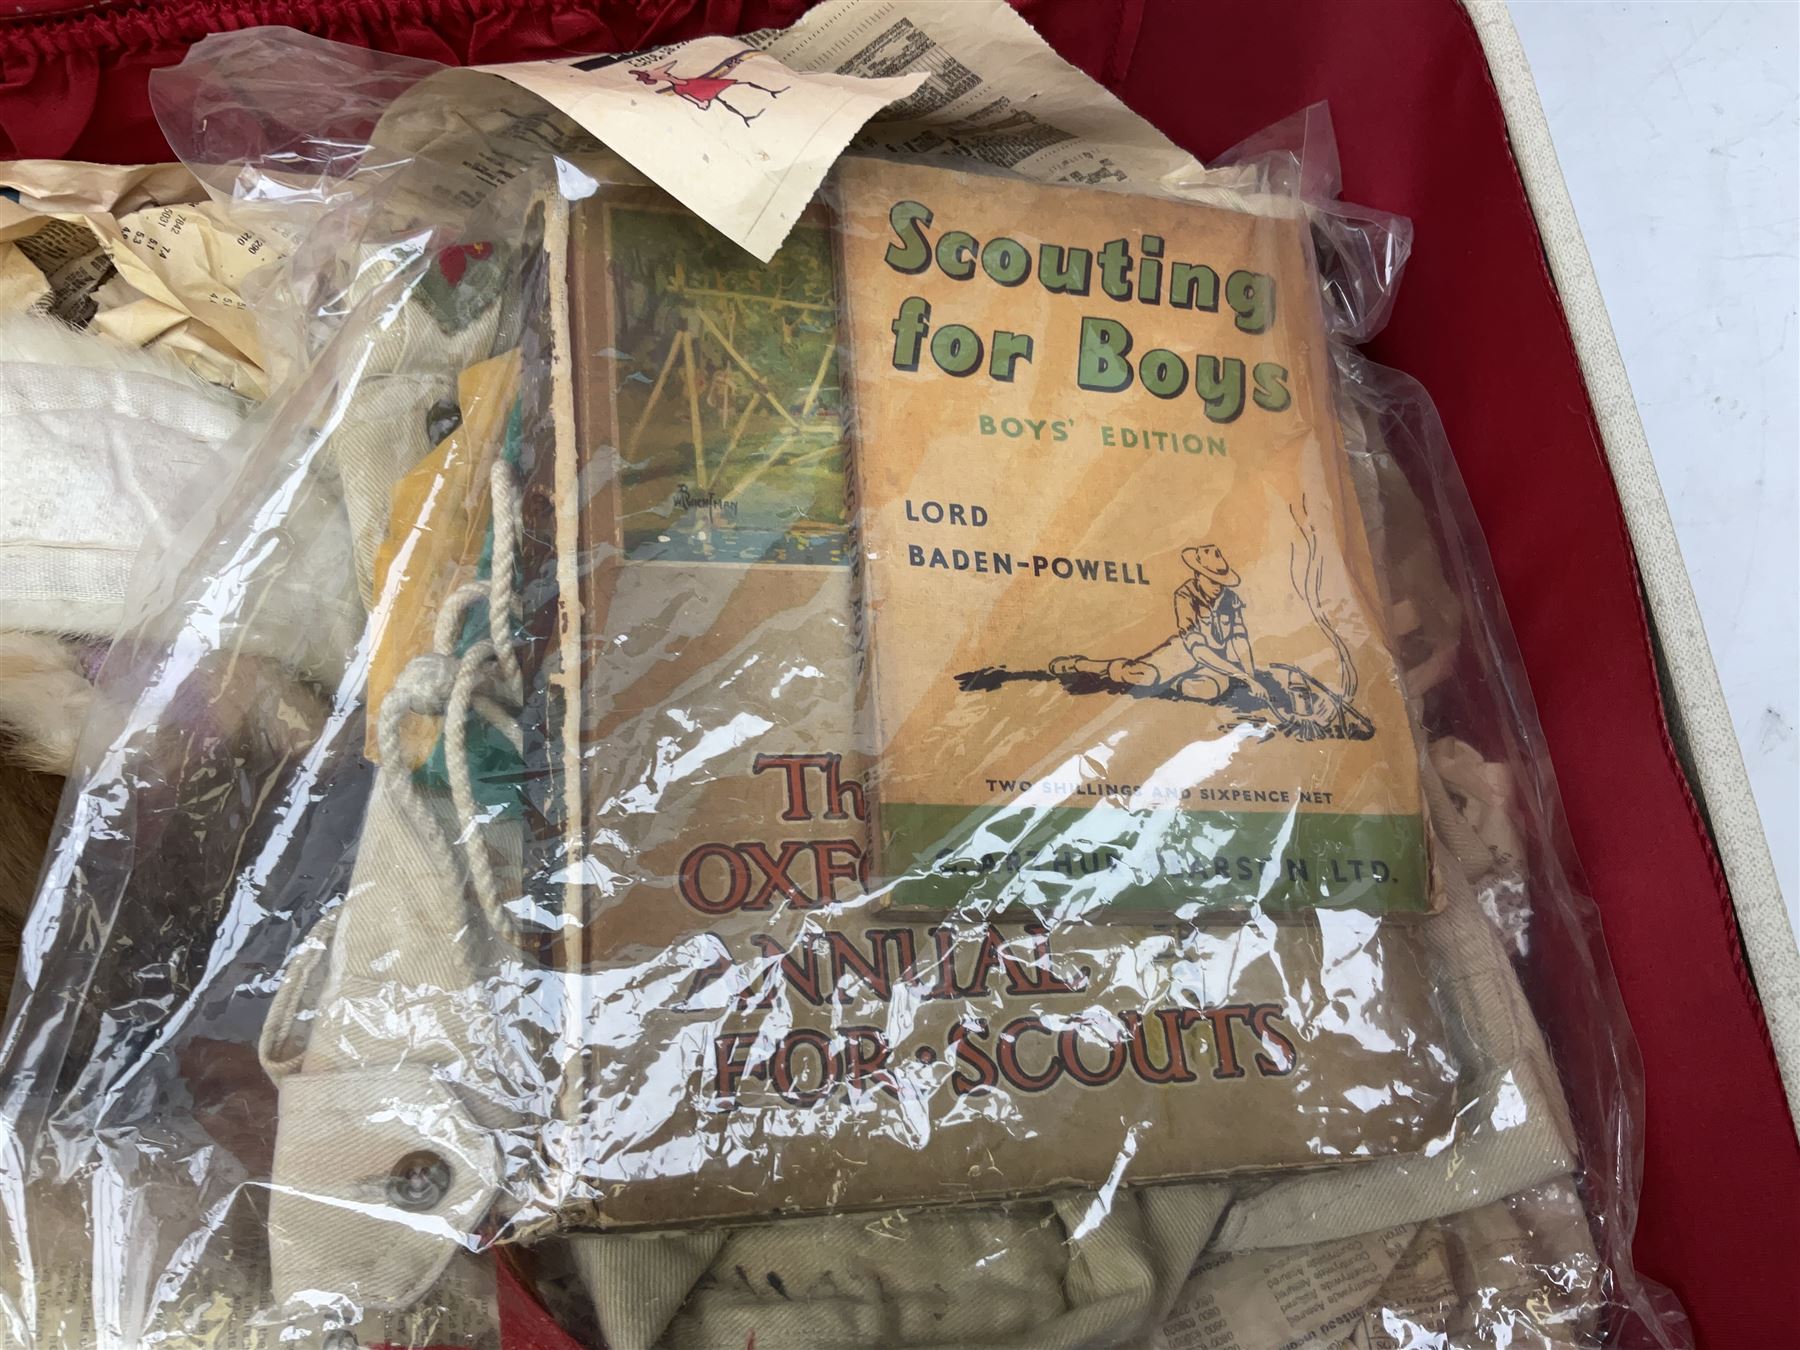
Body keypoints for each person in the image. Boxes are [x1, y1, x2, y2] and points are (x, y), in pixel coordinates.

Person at [1050, 543, 1259, 701]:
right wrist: (1244, 678)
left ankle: (1173, 683)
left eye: (1220, 582)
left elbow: (1239, 639)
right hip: (1183, 652)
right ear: (1198, 575)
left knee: (1213, 689)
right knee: (1142, 676)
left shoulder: (1230, 599)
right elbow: (1196, 649)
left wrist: (1251, 676)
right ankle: (1083, 665)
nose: (1217, 587)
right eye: (1212, 580)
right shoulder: (1185, 595)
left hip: (1214, 659)